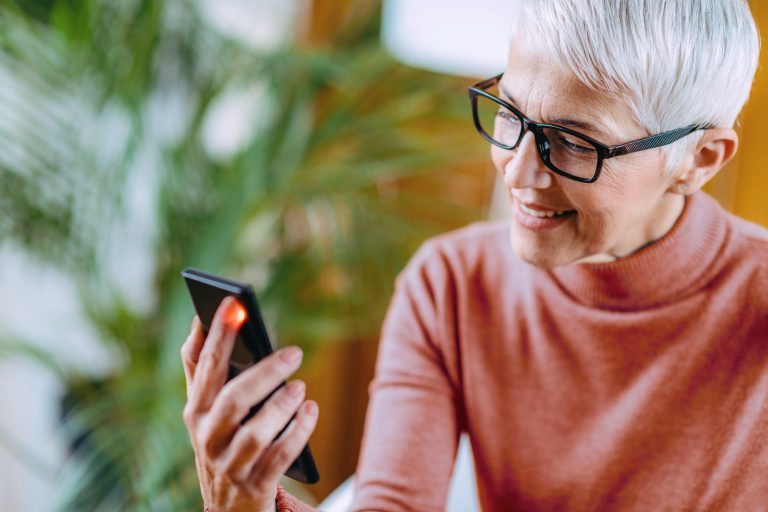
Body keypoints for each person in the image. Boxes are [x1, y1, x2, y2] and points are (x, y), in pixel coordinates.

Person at [180, 0, 768, 510]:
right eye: (510, 112)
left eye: (573, 141)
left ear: (701, 160)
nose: (517, 169)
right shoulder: (453, 286)